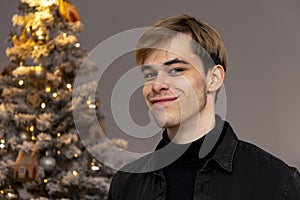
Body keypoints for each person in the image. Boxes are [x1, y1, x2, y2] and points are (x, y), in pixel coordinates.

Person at [108, 14, 300, 200]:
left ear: (213, 78)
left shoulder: (277, 183)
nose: (157, 85)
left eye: (176, 70)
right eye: (149, 75)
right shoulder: (126, 184)